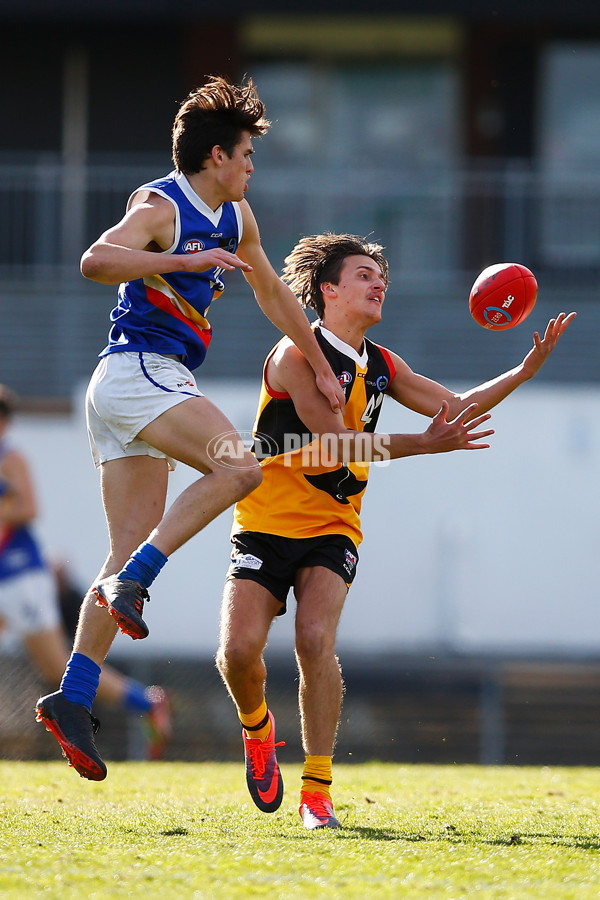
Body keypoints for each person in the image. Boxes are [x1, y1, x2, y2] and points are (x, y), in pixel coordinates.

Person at [35, 75, 345, 782]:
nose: (251, 167)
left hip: (136, 389)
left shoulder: (236, 217)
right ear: (214, 157)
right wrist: (184, 260)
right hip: (139, 370)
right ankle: (137, 584)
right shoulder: (159, 203)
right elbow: (96, 260)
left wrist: (322, 363)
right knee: (240, 468)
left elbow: (270, 290)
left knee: (120, 552)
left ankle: (74, 695)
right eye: (244, 155)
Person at [215, 233, 576, 829]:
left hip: (334, 525)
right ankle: (258, 728)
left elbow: (452, 408)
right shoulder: (294, 356)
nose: (378, 283)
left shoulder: (380, 364)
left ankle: (316, 790)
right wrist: (423, 445)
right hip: (264, 520)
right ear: (327, 291)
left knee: (313, 641)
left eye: (380, 276)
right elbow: (335, 440)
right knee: (237, 653)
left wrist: (524, 370)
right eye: (363, 275)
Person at [0, 386, 171, 761]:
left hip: (18, 576)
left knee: (57, 664)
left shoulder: (9, 458)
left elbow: (27, 507)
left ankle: (145, 702)